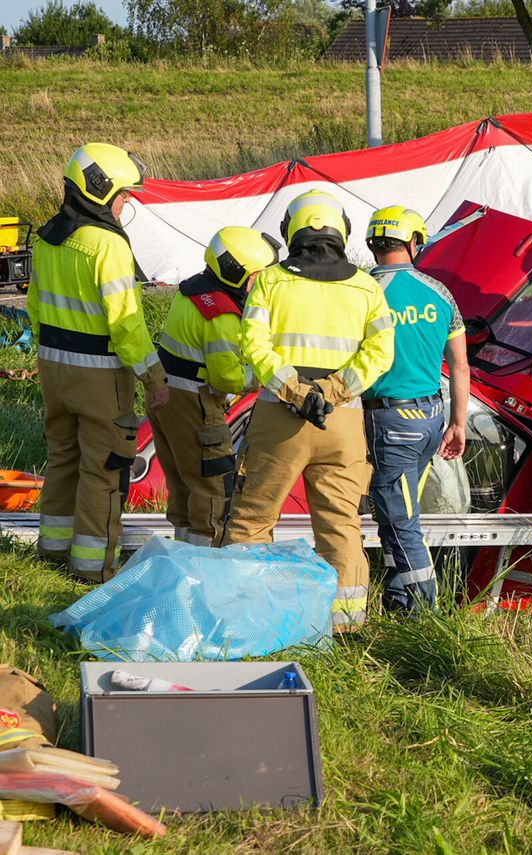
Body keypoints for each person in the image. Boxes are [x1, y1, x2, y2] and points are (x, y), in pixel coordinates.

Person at [226, 190, 394, 633]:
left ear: (290, 231)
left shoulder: (269, 282)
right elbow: (381, 352)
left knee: (253, 519)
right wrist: (334, 390)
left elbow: (253, 344)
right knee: (341, 525)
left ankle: (246, 619)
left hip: (282, 419)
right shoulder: (366, 287)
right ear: (342, 232)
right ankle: (346, 624)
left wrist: (297, 391)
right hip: (341, 422)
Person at [28, 143, 169, 582]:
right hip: (101, 376)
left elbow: (34, 308)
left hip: (54, 368)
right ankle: (92, 570)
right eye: (125, 194)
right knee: (103, 467)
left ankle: (51, 552)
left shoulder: (48, 236)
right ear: (101, 190)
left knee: (62, 458)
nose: (127, 203)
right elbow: (127, 324)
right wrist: (154, 376)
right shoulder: (107, 245)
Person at [364, 205, 470, 612]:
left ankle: (426, 614)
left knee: (401, 523)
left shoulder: (363, 291)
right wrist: (458, 423)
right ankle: (397, 599)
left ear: (374, 244)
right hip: (431, 418)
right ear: (414, 242)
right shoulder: (439, 293)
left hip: (386, 420)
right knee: (399, 517)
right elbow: (459, 366)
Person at [151, 227, 280, 547]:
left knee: (183, 485)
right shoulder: (222, 314)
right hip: (197, 402)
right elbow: (225, 378)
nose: (261, 284)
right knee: (213, 486)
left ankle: (181, 554)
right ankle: (204, 562)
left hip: (169, 397)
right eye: (258, 276)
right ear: (238, 274)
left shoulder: (193, 290)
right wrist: (260, 377)